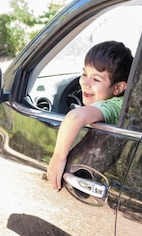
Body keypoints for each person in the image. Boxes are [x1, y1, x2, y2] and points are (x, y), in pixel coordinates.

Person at [47, 40, 133, 191]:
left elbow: (74, 117)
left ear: (118, 87)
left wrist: (58, 158)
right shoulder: (124, 102)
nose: (85, 83)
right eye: (84, 74)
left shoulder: (113, 106)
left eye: (96, 79)